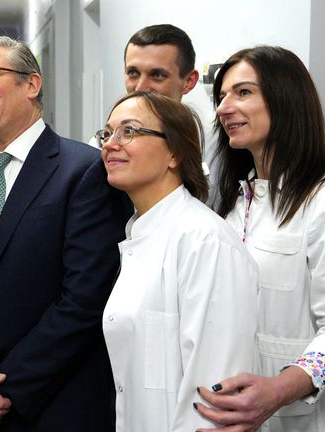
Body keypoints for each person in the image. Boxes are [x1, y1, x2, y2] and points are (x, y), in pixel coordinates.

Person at [0, 34, 130, 431]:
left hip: (54, 405)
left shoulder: (84, 171)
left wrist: (6, 389)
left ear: (31, 84)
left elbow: (86, 297)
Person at [195, 46, 325, 432]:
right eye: (222, 96)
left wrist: (278, 389)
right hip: (227, 414)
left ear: (286, 100)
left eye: (243, 92)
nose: (224, 108)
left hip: (299, 419)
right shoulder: (233, 203)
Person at [98, 91, 258, 431]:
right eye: (107, 133)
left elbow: (216, 396)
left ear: (174, 153)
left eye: (129, 131)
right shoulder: (140, 233)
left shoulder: (204, 240)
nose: (111, 143)